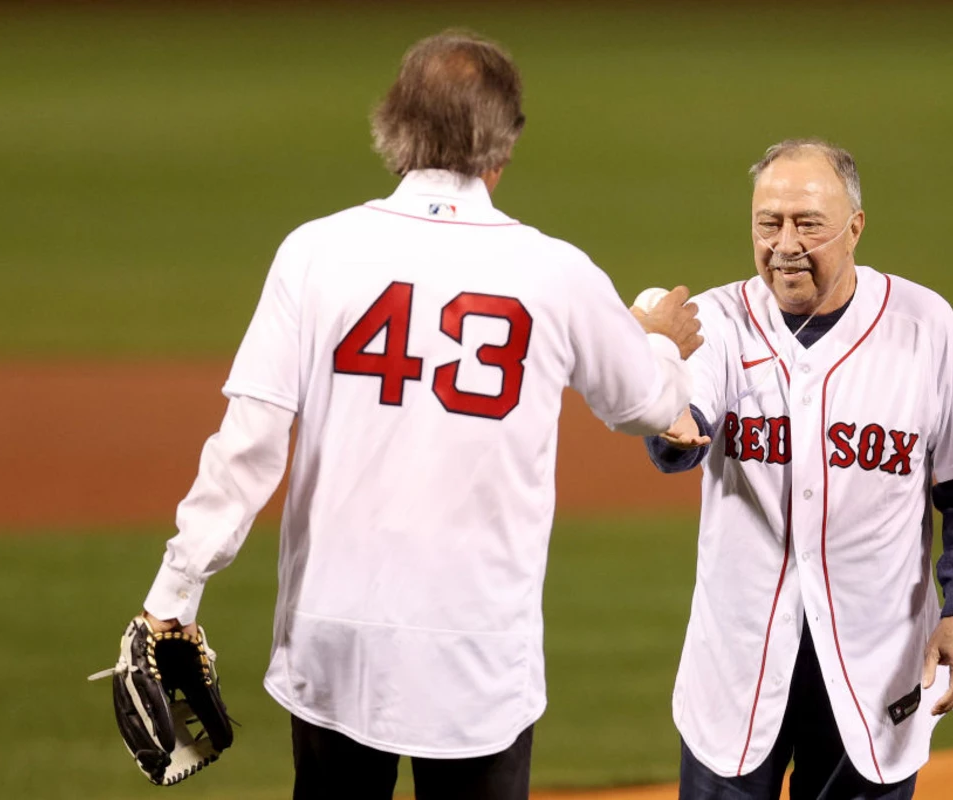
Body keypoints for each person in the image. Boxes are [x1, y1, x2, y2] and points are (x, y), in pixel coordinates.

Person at [135, 31, 703, 800]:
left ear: (392, 128)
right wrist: (655, 339)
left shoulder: (315, 252)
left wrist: (175, 589)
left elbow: (251, 439)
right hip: (478, 652)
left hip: (331, 639)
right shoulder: (555, 272)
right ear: (504, 145)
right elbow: (651, 406)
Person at [644, 139, 953, 800]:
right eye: (767, 222)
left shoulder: (923, 326)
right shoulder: (717, 323)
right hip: (737, 668)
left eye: (806, 224)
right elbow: (680, 438)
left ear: (855, 227)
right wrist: (666, 414)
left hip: (877, 667)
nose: (784, 243)